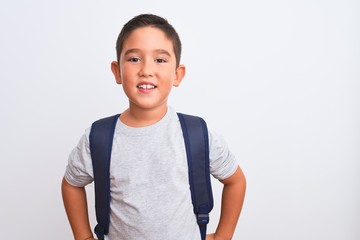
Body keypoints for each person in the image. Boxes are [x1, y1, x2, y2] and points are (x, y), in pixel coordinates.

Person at [61, 13, 246, 240]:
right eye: (134, 59)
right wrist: (84, 237)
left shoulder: (197, 134)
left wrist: (223, 236)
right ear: (117, 71)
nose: (146, 70)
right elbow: (71, 183)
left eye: (160, 60)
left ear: (177, 75)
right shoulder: (98, 138)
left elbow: (235, 180)